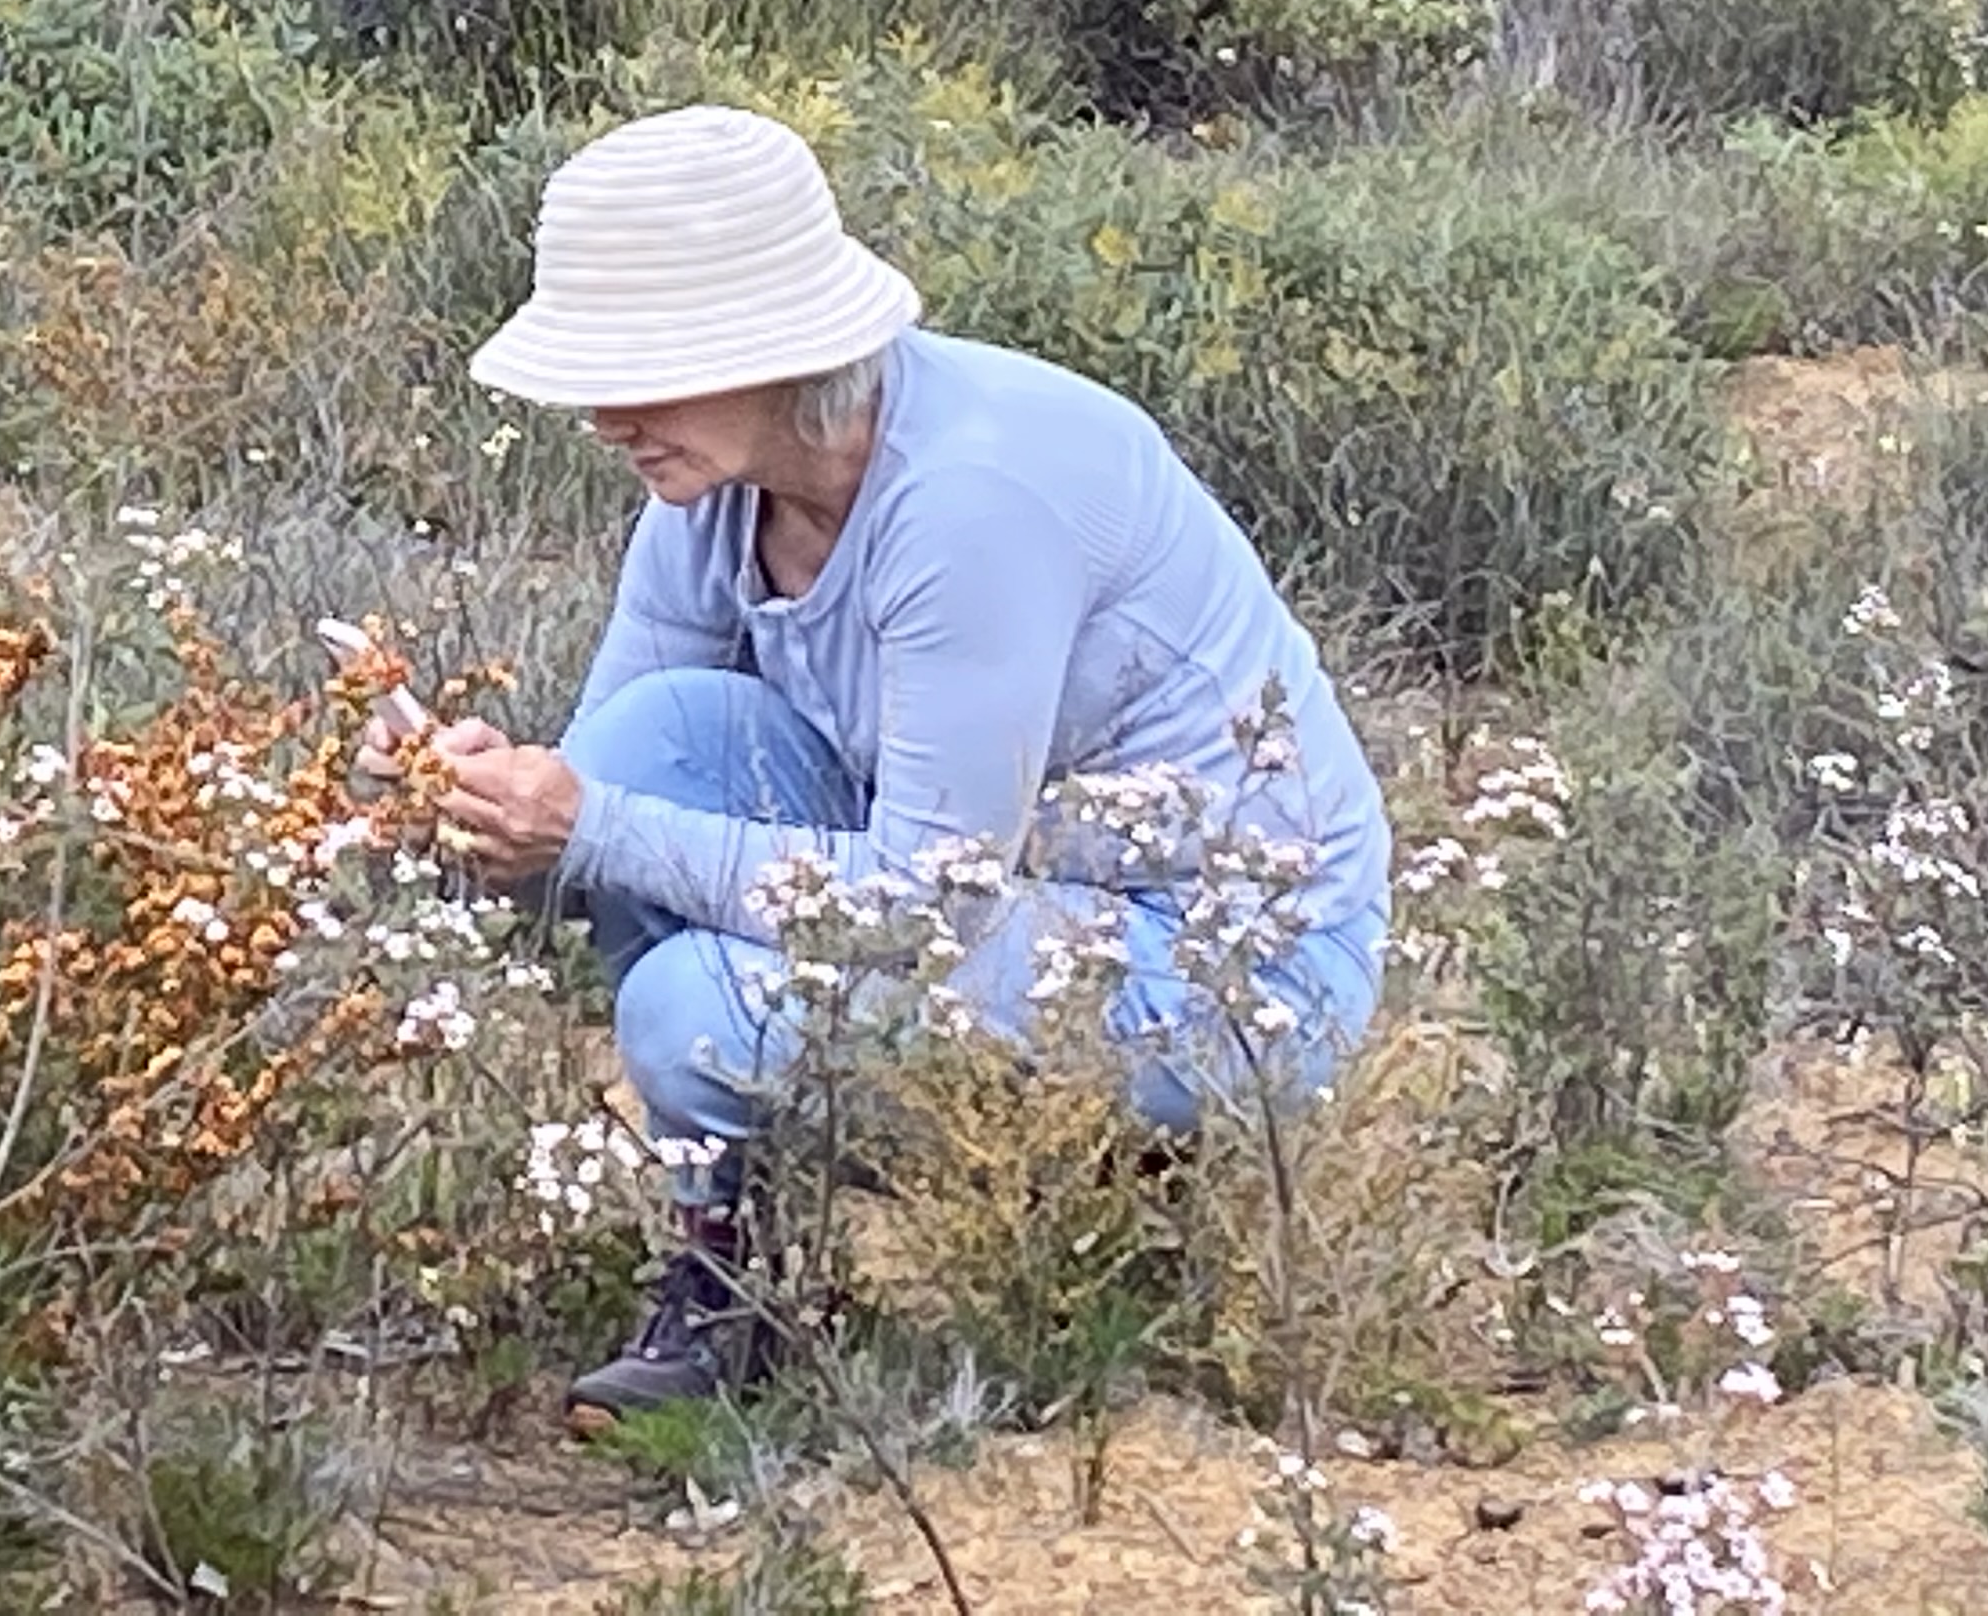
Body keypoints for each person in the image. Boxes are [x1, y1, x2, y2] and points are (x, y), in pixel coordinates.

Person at [403, 104, 1392, 1424]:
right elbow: (606, 828)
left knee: (696, 1008)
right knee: (658, 746)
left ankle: (1058, 1195)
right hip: (1006, 906)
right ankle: (727, 1282)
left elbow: (925, 901)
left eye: (639, 369)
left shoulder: (969, 500)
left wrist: (577, 824)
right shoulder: (715, 498)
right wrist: (466, 815)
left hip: (1230, 970)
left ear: (767, 347)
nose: (601, 415)